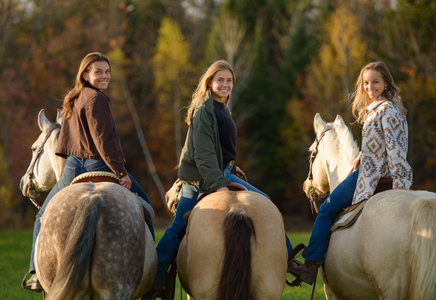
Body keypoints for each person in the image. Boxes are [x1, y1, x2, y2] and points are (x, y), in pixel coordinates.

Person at [146, 60, 296, 297]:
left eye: (229, 81)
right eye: (220, 80)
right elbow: (203, 154)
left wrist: (231, 168)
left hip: (222, 173)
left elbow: (221, 149)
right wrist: (218, 186)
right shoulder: (203, 111)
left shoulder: (222, 108)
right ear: (210, 82)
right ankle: (154, 277)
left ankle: (288, 259)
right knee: (178, 227)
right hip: (198, 179)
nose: (225, 85)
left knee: (265, 201)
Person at [23, 52, 155, 292]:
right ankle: (151, 276)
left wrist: (68, 162)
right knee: (145, 206)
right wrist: (120, 172)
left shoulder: (73, 97)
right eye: (98, 72)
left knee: (42, 215)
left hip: (72, 169)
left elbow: (64, 138)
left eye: (107, 71)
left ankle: (35, 273)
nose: (104, 76)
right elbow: (104, 140)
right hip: (99, 165)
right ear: (85, 74)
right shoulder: (98, 100)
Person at [289, 61, 413, 285]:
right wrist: (363, 154)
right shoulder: (391, 108)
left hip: (371, 177)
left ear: (386, 83)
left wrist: (401, 186)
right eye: (366, 83)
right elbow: (385, 144)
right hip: (373, 167)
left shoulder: (383, 111)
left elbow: (395, 152)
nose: (370, 87)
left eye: (375, 82)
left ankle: (310, 267)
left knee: (326, 211)